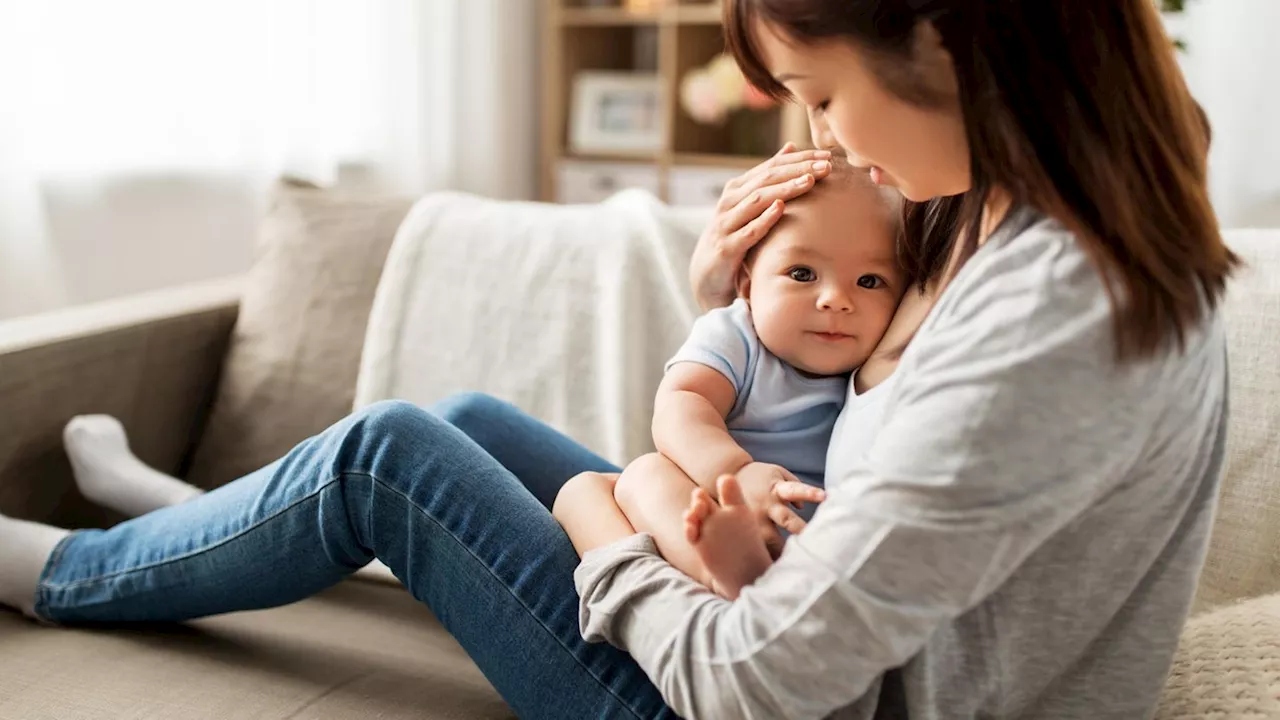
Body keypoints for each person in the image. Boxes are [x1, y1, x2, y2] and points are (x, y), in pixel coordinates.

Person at [0, 0, 1232, 717]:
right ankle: (197, 524)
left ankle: (70, 573)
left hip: (755, 699)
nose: (821, 139)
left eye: (814, 90)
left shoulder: (1049, 322)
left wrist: (613, 518)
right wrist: (728, 301)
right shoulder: (1006, 214)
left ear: (943, 37)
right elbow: (844, 414)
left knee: (390, 459)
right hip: (793, 603)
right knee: (475, 419)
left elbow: (749, 684)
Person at [554, 162, 906, 600]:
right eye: (802, 274)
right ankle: (723, 573)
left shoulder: (880, 358)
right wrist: (735, 472)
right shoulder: (738, 335)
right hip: (720, 512)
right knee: (627, 479)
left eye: (870, 281)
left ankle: (732, 585)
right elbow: (682, 401)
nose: (836, 299)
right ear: (746, 283)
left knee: (620, 481)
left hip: (816, 544)